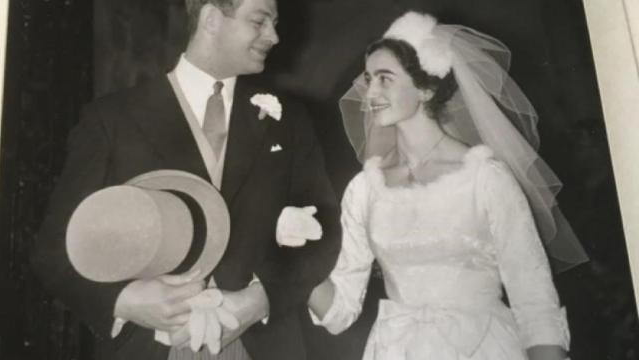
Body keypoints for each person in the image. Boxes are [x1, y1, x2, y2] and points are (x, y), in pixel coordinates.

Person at [30, 0, 341, 359]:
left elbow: (325, 230)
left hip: (260, 346)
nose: (274, 35)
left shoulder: (290, 120)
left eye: (274, 23)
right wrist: (126, 301)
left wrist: (261, 300)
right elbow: (54, 250)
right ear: (211, 19)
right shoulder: (112, 120)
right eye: (259, 21)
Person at [307, 11, 587, 360]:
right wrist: (294, 265)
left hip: (485, 347)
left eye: (384, 79)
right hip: (396, 350)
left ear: (425, 88)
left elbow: (535, 301)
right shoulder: (364, 190)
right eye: (368, 78)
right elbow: (340, 311)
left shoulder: (486, 178)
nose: (369, 92)